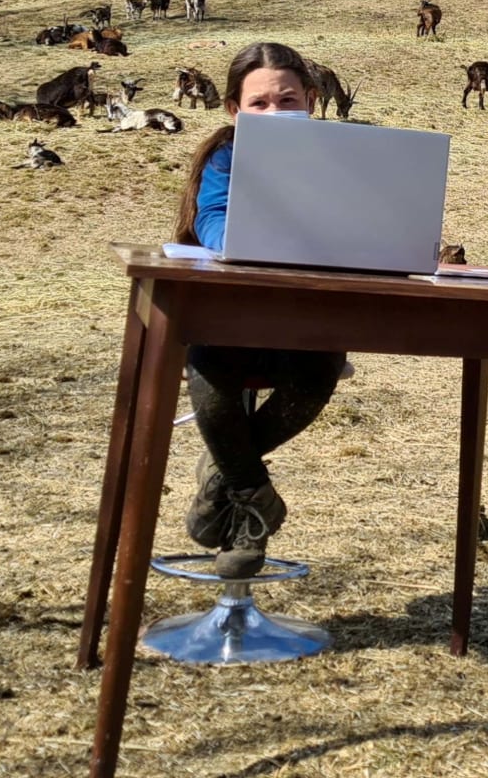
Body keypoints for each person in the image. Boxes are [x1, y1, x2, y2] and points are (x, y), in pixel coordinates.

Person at [172, 41, 344, 579]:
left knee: (320, 367)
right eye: (260, 104)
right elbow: (212, 217)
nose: (274, 113)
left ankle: (225, 473)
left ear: (311, 100)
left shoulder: (346, 158)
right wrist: (243, 244)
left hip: (309, 319)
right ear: (235, 110)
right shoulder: (225, 154)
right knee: (210, 370)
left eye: (287, 100)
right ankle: (254, 501)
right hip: (230, 311)